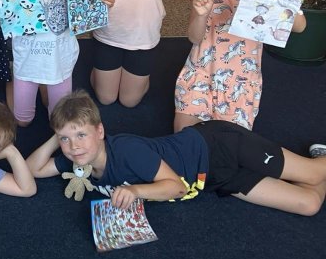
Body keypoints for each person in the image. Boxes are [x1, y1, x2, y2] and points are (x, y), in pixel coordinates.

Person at [27, 91, 326, 217]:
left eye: (81, 135)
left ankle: (318, 161)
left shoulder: (127, 150)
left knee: (314, 174)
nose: (74, 146)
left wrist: (135, 191)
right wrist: (58, 136)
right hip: (214, 178)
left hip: (219, 145)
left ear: (100, 131)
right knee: (309, 204)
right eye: (66, 139)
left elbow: (176, 187)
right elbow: (33, 170)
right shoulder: (77, 158)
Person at [174, 0, 306, 132]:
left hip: (240, 80)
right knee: (186, 139)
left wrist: (283, 1)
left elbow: (300, 27)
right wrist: (201, 15)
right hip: (199, 73)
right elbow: (194, 38)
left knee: (228, 145)